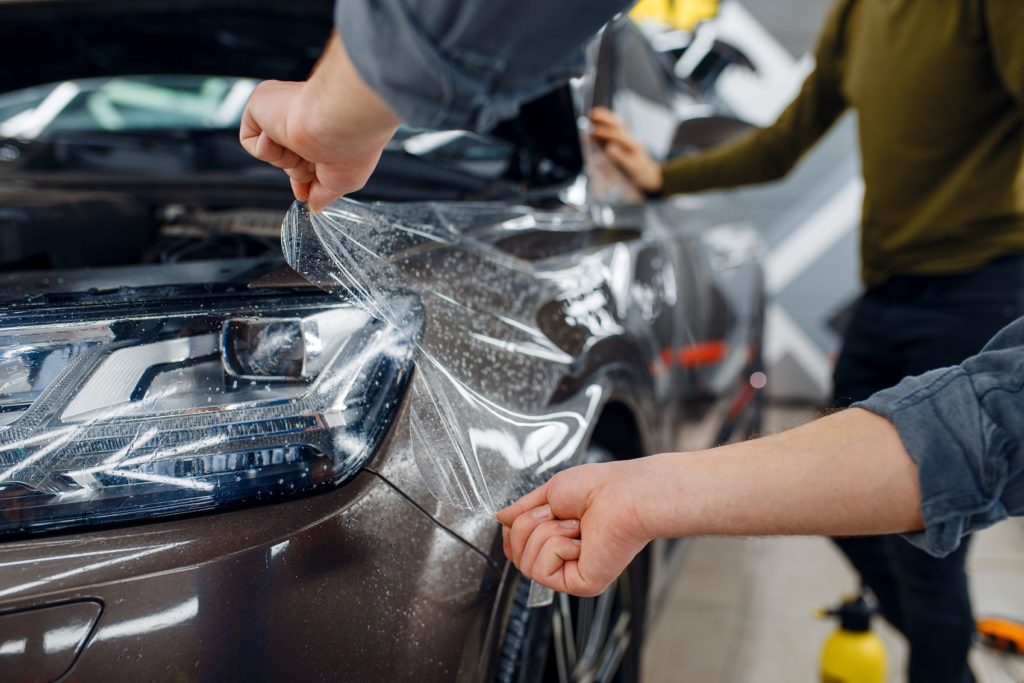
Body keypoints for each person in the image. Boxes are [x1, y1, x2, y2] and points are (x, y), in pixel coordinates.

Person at [589, 2, 1024, 680]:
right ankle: (948, 644)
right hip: (888, 286)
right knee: (846, 502)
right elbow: (785, 141)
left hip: (981, 281)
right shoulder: (858, 13)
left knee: (929, 548)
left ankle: (943, 655)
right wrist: (663, 176)